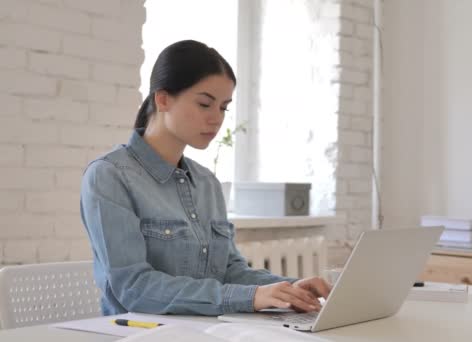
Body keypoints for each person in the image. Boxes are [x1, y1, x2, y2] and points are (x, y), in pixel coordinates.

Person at [80, 40, 331, 316]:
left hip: (205, 330)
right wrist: (251, 297)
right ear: (162, 99)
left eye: (223, 107)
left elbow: (229, 271)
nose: (216, 119)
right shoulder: (109, 176)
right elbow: (134, 288)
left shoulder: (207, 183)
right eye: (204, 104)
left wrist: (289, 289)